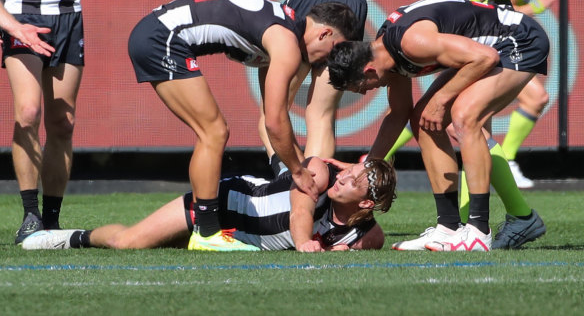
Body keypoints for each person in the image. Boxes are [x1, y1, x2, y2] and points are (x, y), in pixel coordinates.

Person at [125, 0, 357, 251]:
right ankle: (208, 232)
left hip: (157, 32)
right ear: (324, 33)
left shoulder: (285, 22)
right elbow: (273, 121)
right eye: (333, 50)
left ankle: (74, 237)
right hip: (161, 38)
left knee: (213, 131)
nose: (328, 60)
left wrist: (300, 165)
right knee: (213, 132)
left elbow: (273, 121)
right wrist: (297, 171)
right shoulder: (287, 44)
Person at [327, 0, 550, 252]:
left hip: (519, 40)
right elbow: (399, 113)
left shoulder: (411, 43)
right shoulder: (386, 55)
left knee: (465, 118)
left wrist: (442, 100)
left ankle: (478, 232)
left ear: (368, 70)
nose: (364, 93)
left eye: (359, 88)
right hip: (490, 49)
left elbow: (485, 57)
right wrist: (366, 167)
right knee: (422, 121)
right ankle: (448, 228)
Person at [382, 0, 547, 250]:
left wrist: (469, 4)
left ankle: (488, 223)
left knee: (466, 120)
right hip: (470, 15)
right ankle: (461, 225)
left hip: (486, 19)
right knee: (440, 121)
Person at [249, 0, 401, 177]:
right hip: (350, 2)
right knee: (322, 114)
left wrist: (252, 19)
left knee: (274, 109)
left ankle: (288, 181)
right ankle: (316, 198)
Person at [0, 0, 117, 245]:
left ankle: (51, 219)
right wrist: (12, 25)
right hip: (21, 15)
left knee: (62, 124)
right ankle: (30, 215)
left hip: (68, 17)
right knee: (28, 112)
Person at [21, 157, 397, 252]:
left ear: (365, 202)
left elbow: (363, 242)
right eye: (351, 169)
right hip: (226, 205)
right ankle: (67, 238)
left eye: (355, 178)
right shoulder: (317, 172)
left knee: (166, 244)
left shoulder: (368, 234)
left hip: (239, 240)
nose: (345, 174)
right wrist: (304, 243)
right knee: (129, 242)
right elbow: (301, 213)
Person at [502, 0, 562, 187]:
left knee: (441, 107)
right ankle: (505, 161)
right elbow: (505, 10)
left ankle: (504, 160)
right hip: (488, 44)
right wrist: (539, 5)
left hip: (499, 45)